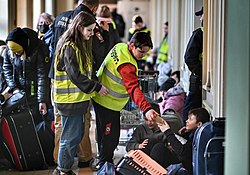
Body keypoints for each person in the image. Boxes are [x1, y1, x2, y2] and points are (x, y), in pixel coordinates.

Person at [50, 0, 110, 169]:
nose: (91, 34)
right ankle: (63, 169)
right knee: (69, 138)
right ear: (79, 28)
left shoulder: (78, 44)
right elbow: (76, 75)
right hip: (69, 100)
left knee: (75, 136)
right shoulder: (70, 47)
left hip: (76, 99)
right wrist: (97, 87)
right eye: (89, 30)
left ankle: (63, 167)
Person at [92, 32, 159, 170]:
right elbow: (133, 88)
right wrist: (146, 108)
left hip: (101, 98)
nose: (143, 56)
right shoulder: (127, 65)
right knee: (110, 137)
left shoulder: (120, 47)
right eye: (141, 51)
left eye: (146, 53)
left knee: (103, 134)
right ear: (132, 45)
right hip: (108, 102)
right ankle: (105, 167)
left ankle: (104, 163)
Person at [3, 27, 50, 125]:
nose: (16, 54)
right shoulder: (9, 49)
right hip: (18, 92)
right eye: (14, 53)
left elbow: (42, 76)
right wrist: (14, 87)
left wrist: (42, 100)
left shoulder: (38, 49)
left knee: (36, 120)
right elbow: (7, 68)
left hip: (35, 90)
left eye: (19, 52)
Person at [150, 107, 210, 174]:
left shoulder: (199, 139)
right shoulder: (196, 134)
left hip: (186, 169)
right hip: (183, 162)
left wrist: (167, 131)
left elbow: (183, 153)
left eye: (190, 119)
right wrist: (185, 134)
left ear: (199, 124)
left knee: (159, 149)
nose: (187, 121)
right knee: (154, 143)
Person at [182, 7, 204, 125]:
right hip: (200, 80)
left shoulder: (200, 33)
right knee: (191, 112)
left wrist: (201, 74)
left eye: (202, 15)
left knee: (190, 111)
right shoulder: (201, 33)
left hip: (200, 80)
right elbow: (190, 58)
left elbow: (189, 58)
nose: (200, 18)